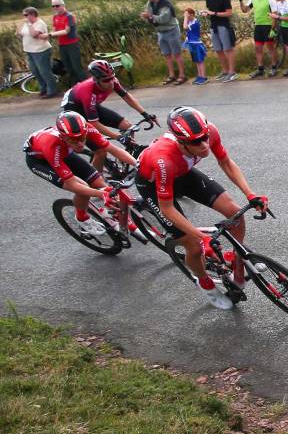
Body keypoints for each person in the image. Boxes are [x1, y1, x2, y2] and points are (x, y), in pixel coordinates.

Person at [136, 107, 269, 310]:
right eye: (196, 142)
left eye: (205, 137)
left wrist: (250, 194)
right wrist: (201, 237)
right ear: (180, 141)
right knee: (194, 246)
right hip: (153, 186)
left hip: (183, 173)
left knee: (235, 213)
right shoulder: (163, 158)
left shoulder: (210, 132)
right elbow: (167, 208)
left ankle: (237, 256)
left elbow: (225, 162)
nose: (204, 145)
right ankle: (204, 282)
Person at [24, 111, 138, 237]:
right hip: (41, 161)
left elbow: (113, 149)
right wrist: (102, 194)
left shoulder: (87, 128)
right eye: (73, 139)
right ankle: (82, 219)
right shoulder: (51, 144)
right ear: (63, 136)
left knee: (99, 182)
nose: (79, 143)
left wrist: (137, 164)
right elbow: (71, 183)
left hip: (64, 151)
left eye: (82, 138)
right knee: (83, 187)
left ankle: (115, 214)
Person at [60, 59, 156, 172]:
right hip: (75, 112)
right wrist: (117, 137)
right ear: (96, 80)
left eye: (112, 78)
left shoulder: (112, 80)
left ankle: (124, 161)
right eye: (106, 80)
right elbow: (94, 123)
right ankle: (97, 182)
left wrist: (144, 114)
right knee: (100, 151)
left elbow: (126, 96)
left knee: (127, 126)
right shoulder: (88, 91)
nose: (111, 82)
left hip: (91, 106)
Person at [141, 0, 185, 85]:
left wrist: (150, 16)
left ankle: (182, 76)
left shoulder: (166, 4)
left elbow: (163, 19)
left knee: (176, 54)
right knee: (166, 54)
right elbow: (150, 16)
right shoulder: (150, 3)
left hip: (171, 30)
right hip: (160, 32)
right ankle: (171, 75)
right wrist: (146, 17)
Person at [238, 0, 278, 79]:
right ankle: (260, 69)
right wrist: (241, 1)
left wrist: (273, 29)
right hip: (258, 26)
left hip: (268, 26)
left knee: (271, 48)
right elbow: (245, 10)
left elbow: (275, 14)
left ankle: (274, 68)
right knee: (258, 48)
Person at [200, 0, 237, 82]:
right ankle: (225, 71)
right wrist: (206, 13)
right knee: (218, 50)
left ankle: (232, 72)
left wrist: (213, 13)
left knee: (227, 49)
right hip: (213, 26)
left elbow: (229, 13)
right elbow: (210, 10)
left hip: (223, 26)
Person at [18, 7, 57, 98]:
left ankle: (52, 90)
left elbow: (34, 35)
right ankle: (43, 88)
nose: (24, 17)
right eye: (24, 15)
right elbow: (18, 33)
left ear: (32, 14)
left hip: (41, 50)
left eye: (26, 15)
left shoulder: (40, 23)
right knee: (34, 71)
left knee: (44, 71)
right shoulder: (27, 24)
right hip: (29, 51)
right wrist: (22, 24)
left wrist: (29, 24)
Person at [49, 0, 88, 83]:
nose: (55, 8)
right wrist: (51, 34)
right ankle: (74, 85)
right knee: (68, 66)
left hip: (72, 44)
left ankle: (86, 84)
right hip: (62, 44)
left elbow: (67, 31)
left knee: (76, 66)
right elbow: (54, 29)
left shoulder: (69, 16)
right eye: (53, 6)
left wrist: (51, 34)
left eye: (57, 6)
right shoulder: (55, 17)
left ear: (63, 5)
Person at [181, 8, 210, 85]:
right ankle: (200, 76)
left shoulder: (195, 23)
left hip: (197, 44)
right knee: (197, 61)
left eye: (187, 15)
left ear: (192, 14)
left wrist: (185, 17)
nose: (186, 16)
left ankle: (204, 77)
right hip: (192, 44)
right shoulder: (190, 22)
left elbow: (185, 27)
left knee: (200, 61)